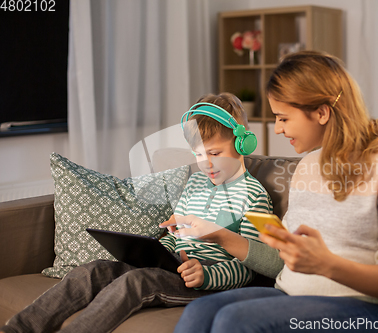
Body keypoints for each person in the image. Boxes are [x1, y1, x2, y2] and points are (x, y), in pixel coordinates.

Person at [173, 51, 378, 333]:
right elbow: (280, 263)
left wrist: (327, 264)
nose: (277, 129)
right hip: (294, 296)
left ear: (322, 112)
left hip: (372, 309)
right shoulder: (308, 166)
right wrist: (221, 235)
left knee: (236, 321)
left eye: (283, 118)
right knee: (199, 312)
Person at [0, 93, 273, 333]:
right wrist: (158, 250)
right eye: (199, 155)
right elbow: (175, 237)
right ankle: (17, 329)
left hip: (204, 281)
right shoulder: (196, 183)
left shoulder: (253, 195)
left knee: (136, 281)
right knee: (91, 271)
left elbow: (249, 270)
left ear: (241, 145)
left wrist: (206, 276)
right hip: (172, 267)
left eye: (215, 153)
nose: (207, 164)